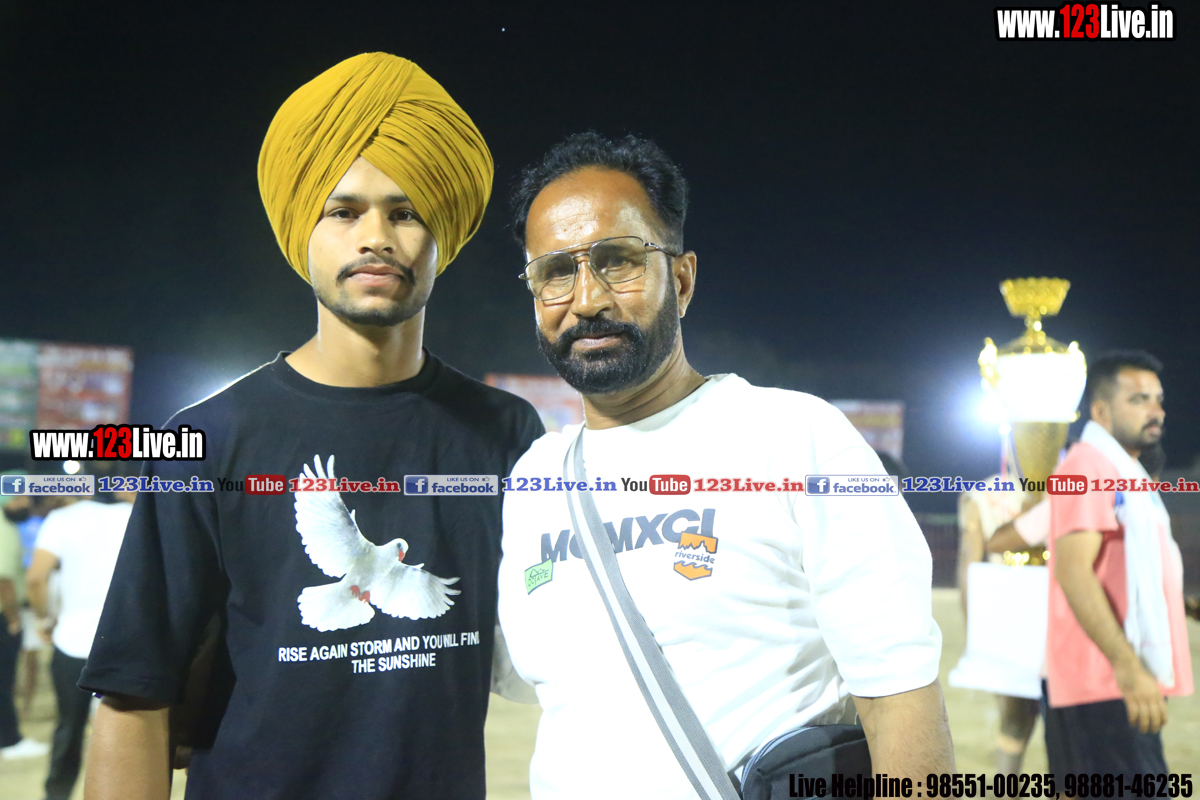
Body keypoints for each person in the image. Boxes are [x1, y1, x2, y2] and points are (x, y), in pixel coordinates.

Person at [80, 53, 542, 800]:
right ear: (305, 231)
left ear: (442, 236)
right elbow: (134, 690)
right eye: (344, 211)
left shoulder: (507, 433)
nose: (376, 236)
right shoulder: (206, 441)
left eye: (405, 212)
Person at [495, 133, 954, 799]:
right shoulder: (534, 481)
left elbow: (899, 699)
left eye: (618, 262)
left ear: (681, 280)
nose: (587, 299)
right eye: (556, 271)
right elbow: (538, 679)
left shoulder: (796, 439)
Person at [1044, 351, 1192, 774]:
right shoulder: (1087, 466)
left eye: (1158, 399)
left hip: (1117, 675)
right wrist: (1128, 669)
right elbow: (1073, 571)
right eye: (1138, 399)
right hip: (1107, 677)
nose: (1155, 411)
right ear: (1101, 411)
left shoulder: (1125, 470)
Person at [26, 475, 136, 799]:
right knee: (128, 730)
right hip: (124, 642)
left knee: (69, 727)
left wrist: (45, 619)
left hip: (72, 641)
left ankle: (58, 793)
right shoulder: (135, 516)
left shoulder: (61, 519)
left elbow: (36, 578)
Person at [955, 474, 1040, 774]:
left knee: (1021, 719)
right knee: (1021, 719)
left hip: (1020, 622)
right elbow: (970, 562)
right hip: (1014, 621)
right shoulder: (986, 494)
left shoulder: (983, 493)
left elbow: (968, 563)